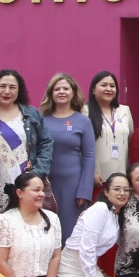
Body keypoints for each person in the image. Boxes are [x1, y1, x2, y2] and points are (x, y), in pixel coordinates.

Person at [0, 69, 52, 242]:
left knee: (24, 229)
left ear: (19, 90)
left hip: (26, 181)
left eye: (12, 87)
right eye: (2, 86)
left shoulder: (31, 114)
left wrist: (37, 172)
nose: (7, 91)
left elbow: (46, 143)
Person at [59, 172, 126, 277]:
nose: (122, 193)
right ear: (106, 192)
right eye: (117, 189)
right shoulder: (100, 209)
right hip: (70, 268)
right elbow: (87, 247)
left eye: (126, 189)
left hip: (90, 268)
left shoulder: (116, 216)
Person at [40, 73, 96, 238]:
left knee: (70, 232)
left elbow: (89, 156)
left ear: (73, 92)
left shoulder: (83, 121)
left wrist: (84, 190)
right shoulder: (41, 119)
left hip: (73, 186)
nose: (61, 92)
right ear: (51, 93)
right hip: (46, 183)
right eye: (57, 89)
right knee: (46, 228)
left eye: (66, 88)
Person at [87, 70, 134, 194]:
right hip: (97, 178)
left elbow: (131, 141)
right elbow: (81, 147)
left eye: (112, 86)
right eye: (104, 85)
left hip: (121, 177)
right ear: (93, 89)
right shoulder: (84, 111)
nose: (109, 89)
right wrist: (91, 172)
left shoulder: (124, 111)